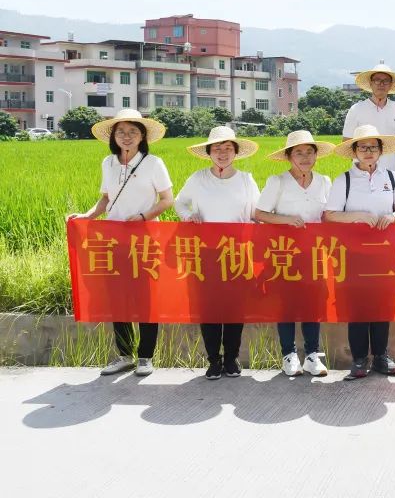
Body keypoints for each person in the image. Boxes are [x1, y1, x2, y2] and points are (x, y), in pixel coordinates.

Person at [71, 109, 173, 377]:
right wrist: (88, 215)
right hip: (114, 240)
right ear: (114, 136)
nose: (126, 137)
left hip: (146, 239)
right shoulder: (108, 163)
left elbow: (167, 200)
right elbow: (105, 200)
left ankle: (146, 357)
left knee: (145, 298)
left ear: (142, 136)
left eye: (133, 132)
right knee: (118, 298)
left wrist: (143, 216)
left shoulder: (153, 163)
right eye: (121, 132)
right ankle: (125, 354)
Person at [174, 126, 261, 380]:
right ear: (209, 153)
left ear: (235, 152)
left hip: (238, 253)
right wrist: (188, 216)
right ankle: (214, 360)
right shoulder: (198, 178)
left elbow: (257, 212)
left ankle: (232, 358)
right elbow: (180, 202)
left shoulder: (246, 179)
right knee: (209, 309)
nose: (222, 153)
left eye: (227, 149)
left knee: (235, 309)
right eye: (217, 149)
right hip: (207, 254)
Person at [324, 125, 395, 379]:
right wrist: (359, 217)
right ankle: (360, 359)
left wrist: (392, 216)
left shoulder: (391, 178)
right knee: (357, 307)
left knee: (383, 305)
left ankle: (381, 357)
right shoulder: (344, 180)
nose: (368, 152)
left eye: (373, 147)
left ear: (381, 150)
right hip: (353, 255)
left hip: (384, 253)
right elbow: (330, 215)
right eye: (363, 147)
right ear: (355, 151)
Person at [253, 130, 335, 377]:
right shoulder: (277, 182)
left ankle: (312, 355)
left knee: (313, 304)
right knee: (286, 305)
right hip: (283, 253)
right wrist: (287, 221)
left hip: (314, 254)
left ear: (316, 156)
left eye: (309, 152)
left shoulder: (324, 182)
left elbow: (327, 216)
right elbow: (260, 214)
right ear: (289, 156)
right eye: (298, 152)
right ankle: (289, 355)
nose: (305, 157)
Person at [343, 62, 395, 173]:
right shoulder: (356, 109)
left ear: (391, 84)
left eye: (386, 81)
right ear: (371, 83)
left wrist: (388, 157)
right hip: (361, 174)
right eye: (377, 80)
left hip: (390, 173)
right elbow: (347, 142)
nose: (381, 84)